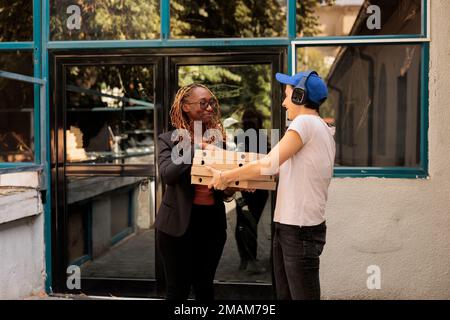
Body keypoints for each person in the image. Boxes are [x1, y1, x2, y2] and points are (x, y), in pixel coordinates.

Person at [206, 71, 336, 300]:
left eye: (287, 96)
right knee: (285, 295)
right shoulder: (319, 128)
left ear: (299, 96)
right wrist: (229, 160)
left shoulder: (304, 123)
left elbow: (267, 163)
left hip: (299, 229)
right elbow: (277, 169)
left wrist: (226, 178)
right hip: (292, 226)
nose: (284, 103)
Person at [155, 83, 233, 300]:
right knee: (177, 291)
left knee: (204, 287)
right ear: (186, 107)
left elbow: (224, 189)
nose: (209, 107)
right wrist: (195, 147)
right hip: (177, 226)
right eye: (203, 102)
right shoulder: (168, 140)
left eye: (211, 102)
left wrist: (237, 185)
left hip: (211, 224)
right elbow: (168, 174)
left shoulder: (219, 141)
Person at [234, 108, 269, 274]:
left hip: (257, 185)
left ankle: (247, 258)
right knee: (246, 221)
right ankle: (248, 258)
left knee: (245, 220)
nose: (249, 122)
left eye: (252, 119)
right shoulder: (242, 137)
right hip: (246, 184)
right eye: (248, 119)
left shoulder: (255, 136)